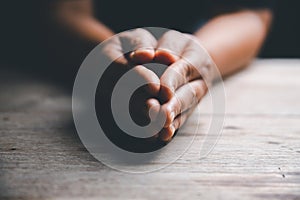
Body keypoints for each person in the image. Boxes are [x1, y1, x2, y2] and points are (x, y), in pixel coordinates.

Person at [50, 0, 273, 142]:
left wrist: (201, 58)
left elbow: (250, 13)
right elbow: (63, 11)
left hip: (202, 37)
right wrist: (99, 55)